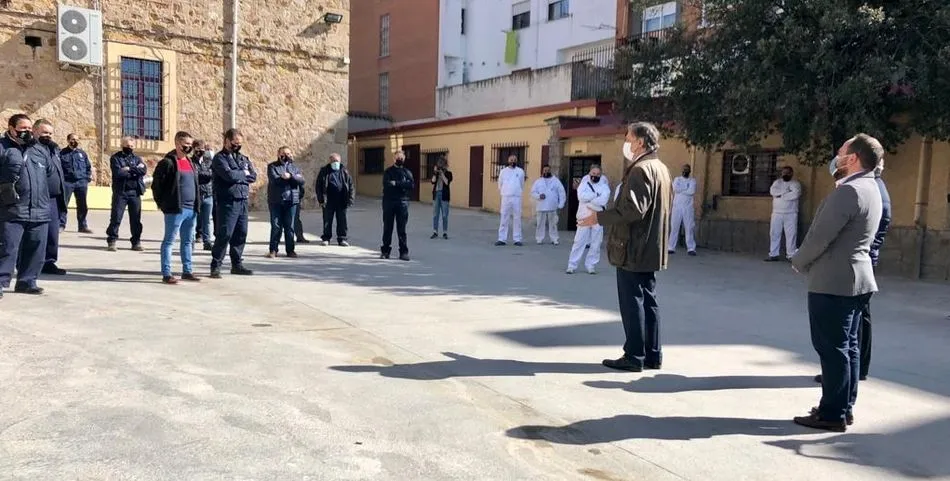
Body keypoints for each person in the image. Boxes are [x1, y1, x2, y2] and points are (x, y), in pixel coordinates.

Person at [790, 134, 884, 432]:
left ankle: (832, 413)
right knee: (848, 347)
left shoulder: (849, 192)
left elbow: (820, 236)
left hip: (834, 280)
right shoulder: (871, 187)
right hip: (857, 279)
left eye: (842, 152)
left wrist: (799, 260)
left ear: (853, 158)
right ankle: (844, 407)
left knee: (832, 349)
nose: (838, 156)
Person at [580, 122, 671, 372]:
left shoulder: (640, 170)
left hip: (634, 245)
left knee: (633, 302)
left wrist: (598, 218)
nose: (626, 143)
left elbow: (633, 210)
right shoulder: (660, 168)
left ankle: (634, 355)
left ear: (640, 142)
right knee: (648, 300)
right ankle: (652, 354)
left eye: (629, 139)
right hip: (651, 245)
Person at [814, 156, 891, 386]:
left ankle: (844, 378)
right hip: (860, 261)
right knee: (856, 323)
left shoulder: (866, 190)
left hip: (853, 264)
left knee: (846, 329)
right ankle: (853, 373)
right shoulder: (873, 188)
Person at [0, 113, 52, 298]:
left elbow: (49, 173)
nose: (27, 131)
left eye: (30, 128)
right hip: (12, 209)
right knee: (7, 248)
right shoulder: (3, 147)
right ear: (11, 129)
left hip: (39, 209)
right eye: (23, 128)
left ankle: (27, 281)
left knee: (35, 249)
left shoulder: (39, 150)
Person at [151, 131, 201, 284]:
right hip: (175, 209)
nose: (189, 147)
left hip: (191, 209)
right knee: (169, 241)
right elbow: (157, 185)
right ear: (177, 144)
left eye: (190, 144)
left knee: (188, 241)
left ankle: (187, 271)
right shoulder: (168, 163)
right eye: (186, 144)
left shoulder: (191, 162)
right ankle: (166, 273)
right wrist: (163, 204)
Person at [209, 128, 256, 278]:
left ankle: (237, 264)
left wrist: (239, 175)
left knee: (241, 233)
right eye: (235, 142)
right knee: (225, 234)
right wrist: (243, 174)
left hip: (242, 200)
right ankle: (216, 265)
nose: (237, 145)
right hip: (228, 201)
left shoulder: (243, 158)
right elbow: (228, 175)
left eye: (240, 143)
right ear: (227, 141)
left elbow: (253, 175)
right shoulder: (219, 158)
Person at [34, 120, 68, 276]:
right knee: (36, 234)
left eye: (50, 133)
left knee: (52, 233)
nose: (48, 136)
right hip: (38, 197)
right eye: (44, 132)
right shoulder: (31, 149)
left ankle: (49, 262)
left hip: (54, 198)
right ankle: (31, 263)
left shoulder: (54, 149)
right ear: (35, 131)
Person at [566, 165, 610, 274]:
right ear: (590, 173)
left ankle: (591, 265)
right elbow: (581, 197)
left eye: (598, 174)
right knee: (579, 241)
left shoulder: (604, 187)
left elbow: (603, 201)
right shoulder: (584, 184)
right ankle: (572, 265)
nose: (595, 176)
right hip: (584, 216)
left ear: (601, 175)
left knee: (596, 243)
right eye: (593, 173)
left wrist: (589, 202)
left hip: (598, 218)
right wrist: (595, 195)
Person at [105, 136, 147, 252]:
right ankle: (112, 240)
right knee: (116, 217)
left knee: (136, 219)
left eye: (132, 146)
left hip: (135, 192)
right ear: (122, 145)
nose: (130, 148)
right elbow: (118, 173)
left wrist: (128, 169)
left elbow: (143, 170)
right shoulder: (116, 158)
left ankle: (136, 242)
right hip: (121, 192)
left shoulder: (137, 158)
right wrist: (134, 171)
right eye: (127, 146)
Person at [266, 146, 305, 257]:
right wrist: (290, 180)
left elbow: (301, 181)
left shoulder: (294, 168)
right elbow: (275, 180)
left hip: (291, 201)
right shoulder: (272, 166)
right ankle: (273, 250)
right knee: (276, 226)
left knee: (290, 226)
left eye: (288, 153)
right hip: (276, 201)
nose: (286, 156)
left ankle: (290, 250)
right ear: (278, 155)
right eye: (283, 154)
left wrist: (290, 176)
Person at [380, 150, 413, 261]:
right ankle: (385, 251)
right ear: (394, 159)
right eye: (398, 158)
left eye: (401, 158)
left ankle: (403, 252)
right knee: (387, 228)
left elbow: (411, 185)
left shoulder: (407, 172)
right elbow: (387, 184)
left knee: (402, 229)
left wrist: (397, 183)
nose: (400, 160)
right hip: (389, 202)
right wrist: (402, 185)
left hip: (403, 203)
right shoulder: (388, 172)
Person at [316, 152, 355, 246]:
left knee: (342, 220)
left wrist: (351, 198)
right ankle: (326, 238)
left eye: (337, 161)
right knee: (327, 220)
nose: (335, 163)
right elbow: (318, 186)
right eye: (333, 161)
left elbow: (351, 186)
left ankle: (342, 239)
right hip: (328, 200)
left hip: (341, 200)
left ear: (340, 161)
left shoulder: (344, 171)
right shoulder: (324, 171)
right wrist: (321, 199)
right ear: (330, 161)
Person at [59, 133, 93, 233]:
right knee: (63, 204)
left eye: (77, 139)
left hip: (81, 182)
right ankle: (61, 225)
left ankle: (82, 226)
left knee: (82, 205)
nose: (75, 141)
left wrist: (87, 177)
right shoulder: (62, 153)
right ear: (68, 140)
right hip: (67, 182)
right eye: (73, 139)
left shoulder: (82, 153)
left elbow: (88, 167)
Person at [766, 166, 801, 261]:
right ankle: (773, 254)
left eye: (788, 172)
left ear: (791, 173)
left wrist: (780, 195)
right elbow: (773, 192)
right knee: (774, 234)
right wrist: (786, 192)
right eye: (784, 172)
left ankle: (791, 255)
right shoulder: (777, 183)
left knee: (791, 234)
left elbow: (795, 194)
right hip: (777, 213)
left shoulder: (795, 184)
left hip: (791, 213)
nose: (785, 174)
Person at [530, 164, 567, 245]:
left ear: (550, 171)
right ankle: (539, 238)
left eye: (548, 170)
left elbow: (561, 192)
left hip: (552, 206)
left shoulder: (556, 181)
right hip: (541, 205)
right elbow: (533, 192)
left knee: (553, 223)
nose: (546, 172)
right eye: (545, 170)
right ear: (542, 171)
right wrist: (539, 196)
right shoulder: (538, 181)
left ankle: (554, 239)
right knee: (540, 223)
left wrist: (561, 203)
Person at [496, 154, 526, 246]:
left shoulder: (520, 171)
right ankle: (502, 239)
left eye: (514, 160)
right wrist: (505, 191)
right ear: (508, 161)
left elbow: (522, 184)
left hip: (516, 197)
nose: (513, 161)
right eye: (511, 160)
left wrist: (517, 191)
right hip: (506, 197)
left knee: (517, 218)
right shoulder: (503, 171)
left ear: (517, 161)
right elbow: (500, 183)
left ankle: (517, 239)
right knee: (504, 217)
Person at [668, 163, 697, 256]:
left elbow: (691, 191)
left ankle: (691, 248)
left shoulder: (692, 181)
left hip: (688, 208)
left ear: (689, 171)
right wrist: (686, 188)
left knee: (689, 228)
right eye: (684, 169)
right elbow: (675, 189)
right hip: (677, 207)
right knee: (674, 227)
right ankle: (671, 247)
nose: (685, 171)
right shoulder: (677, 179)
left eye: (687, 169)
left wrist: (681, 189)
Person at [192, 139, 215, 251]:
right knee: (193, 219)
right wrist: (206, 175)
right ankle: (191, 241)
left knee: (207, 220)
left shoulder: (208, 161)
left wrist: (204, 175)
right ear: (193, 149)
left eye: (202, 149)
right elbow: (195, 175)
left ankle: (207, 241)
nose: (199, 151)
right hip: (195, 194)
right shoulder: (191, 162)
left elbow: (212, 173)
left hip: (208, 194)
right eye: (197, 149)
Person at [430, 156, 453, 239]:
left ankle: (445, 232)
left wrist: (442, 173)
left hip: (444, 195)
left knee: (444, 215)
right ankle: (435, 231)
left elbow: (446, 182)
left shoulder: (449, 173)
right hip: (436, 194)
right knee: (435, 214)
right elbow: (432, 181)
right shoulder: (436, 173)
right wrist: (435, 173)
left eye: (442, 164)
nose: (441, 166)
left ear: (445, 165)